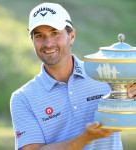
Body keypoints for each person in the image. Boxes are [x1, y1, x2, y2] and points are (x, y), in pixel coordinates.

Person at [10, 2, 136, 150]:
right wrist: (85, 138)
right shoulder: (23, 98)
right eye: (39, 36)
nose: (48, 43)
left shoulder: (104, 73)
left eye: (55, 33)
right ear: (32, 41)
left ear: (72, 36)